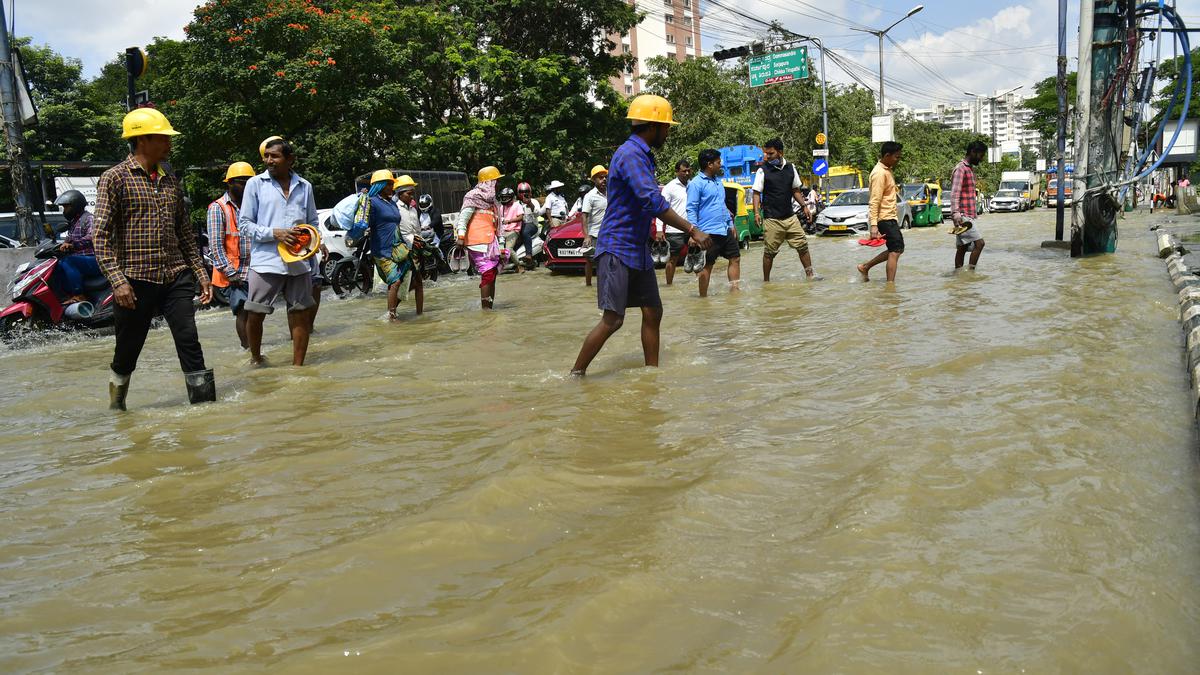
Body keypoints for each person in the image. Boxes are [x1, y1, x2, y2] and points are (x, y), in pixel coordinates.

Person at [570, 94, 712, 376]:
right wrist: (692, 229)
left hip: (637, 249)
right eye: (666, 127)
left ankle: (652, 374)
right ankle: (576, 375)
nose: (668, 132)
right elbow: (651, 201)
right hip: (617, 247)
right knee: (613, 320)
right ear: (652, 126)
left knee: (653, 311)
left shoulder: (643, 155)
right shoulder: (631, 155)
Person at [93, 107, 215, 410]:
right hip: (134, 280)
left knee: (189, 340)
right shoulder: (115, 178)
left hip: (175, 275)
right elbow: (100, 237)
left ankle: (205, 410)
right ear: (142, 139)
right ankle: (117, 409)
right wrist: (118, 282)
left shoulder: (170, 178)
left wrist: (201, 273)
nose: (169, 144)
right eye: (163, 138)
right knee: (127, 350)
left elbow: (185, 232)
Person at [240, 137, 320, 366]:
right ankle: (256, 359)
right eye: (266, 156)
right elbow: (244, 225)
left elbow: (312, 222)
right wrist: (276, 233)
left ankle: (298, 368)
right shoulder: (255, 185)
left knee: (300, 313)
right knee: (255, 312)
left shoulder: (305, 187)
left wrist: (311, 242)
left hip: (299, 261)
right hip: (266, 261)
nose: (268, 160)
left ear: (290, 159)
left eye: (274, 156)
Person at [752, 138, 817, 282]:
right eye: (766, 154)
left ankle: (810, 275)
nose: (767, 156)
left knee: (803, 246)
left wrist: (804, 206)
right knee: (769, 253)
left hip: (790, 217)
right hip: (772, 218)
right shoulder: (762, 170)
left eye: (771, 153)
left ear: (780, 152)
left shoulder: (790, 167)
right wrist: (757, 212)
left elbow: (795, 190)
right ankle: (766, 282)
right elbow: (756, 193)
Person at [206, 161, 255, 349]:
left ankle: (254, 348)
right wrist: (230, 272)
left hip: (254, 270)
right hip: (234, 274)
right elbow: (215, 247)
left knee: (255, 313)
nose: (245, 186)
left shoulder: (252, 206)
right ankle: (249, 350)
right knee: (243, 311)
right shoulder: (218, 208)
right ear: (230, 183)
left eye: (249, 182)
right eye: (241, 182)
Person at [688, 149, 740, 297]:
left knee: (735, 258)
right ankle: (703, 298)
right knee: (707, 264)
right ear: (709, 164)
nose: (720, 165)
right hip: (707, 232)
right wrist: (694, 233)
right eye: (718, 162)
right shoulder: (696, 184)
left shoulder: (718, 182)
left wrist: (730, 224)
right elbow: (691, 209)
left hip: (724, 229)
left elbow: (723, 205)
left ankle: (735, 292)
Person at [455, 166, 505, 309]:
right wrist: (460, 236)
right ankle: (486, 310)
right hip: (477, 242)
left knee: (492, 274)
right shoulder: (472, 196)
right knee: (488, 274)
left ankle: (489, 307)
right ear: (488, 182)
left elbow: (498, 224)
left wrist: (501, 246)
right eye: (496, 181)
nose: (498, 184)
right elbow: (463, 218)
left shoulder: (494, 201)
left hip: (491, 242)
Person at [857, 141, 904, 283]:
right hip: (884, 218)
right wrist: (873, 225)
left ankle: (866, 267)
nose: (898, 160)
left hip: (890, 217)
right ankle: (890, 287)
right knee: (896, 250)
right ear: (887, 155)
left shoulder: (887, 170)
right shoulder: (879, 173)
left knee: (896, 249)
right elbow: (874, 200)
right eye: (896, 157)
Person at [52, 189, 101, 301]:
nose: (64, 211)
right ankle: (67, 296)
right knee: (56, 265)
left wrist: (73, 245)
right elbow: (68, 240)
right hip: (82, 260)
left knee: (69, 261)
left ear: (75, 205)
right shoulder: (74, 222)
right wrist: (63, 244)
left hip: (93, 259)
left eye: (66, 207)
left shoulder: (88, 218)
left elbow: (92, 236)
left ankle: (79, 293)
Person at [950, 140, 987, 270]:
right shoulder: (961, 169)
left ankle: (959, 275)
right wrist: (956, 214)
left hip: (968, 215)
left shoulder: (969, 169)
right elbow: (955, 192)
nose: (981, 159)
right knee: (980, 244)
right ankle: (971, 273)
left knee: (963, 247)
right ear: (973, 152)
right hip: (963, 215)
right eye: (980, 155)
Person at [659, 159, 692, 285]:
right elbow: (660, 208)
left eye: (689, 170)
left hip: (691, 228)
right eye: (684, 171)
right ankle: (669, 285)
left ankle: (699, 288)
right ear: (677, 172)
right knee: (672, 259)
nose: (687, 173)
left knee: (697, 257)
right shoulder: (669, 187)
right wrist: (658, 230)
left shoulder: (693, 185)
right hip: (674, 230)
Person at [581, 165, 608, 287]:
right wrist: (586, 236)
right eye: (600, 177)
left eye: (605, 177)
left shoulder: (611, 193)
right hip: (595, 234)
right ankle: (589, 286)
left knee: (606, 263)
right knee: (590, 262)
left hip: (609, 234)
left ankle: (605, 286)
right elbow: (584, 216)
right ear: (594, 180)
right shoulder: (590, 196)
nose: (604, 180)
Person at [496, 186, 527, 273]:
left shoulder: (517, 205)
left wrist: (509, 221)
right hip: (502, 231)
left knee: (508, 250)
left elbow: (521, 217)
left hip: (514, 230)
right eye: (503, 197)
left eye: (506, 197)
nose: (504, 199)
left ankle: (519, 265)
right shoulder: (502, 207)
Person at [516, 182, 541, 267]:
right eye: (521, 191)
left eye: (526, 191)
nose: (524, 193)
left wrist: (530, 203)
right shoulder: (516, 203)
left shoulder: (534, 201)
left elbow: (537, 214)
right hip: (518, 226)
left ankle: (529, 254)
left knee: (525, 232)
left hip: (532, 225)